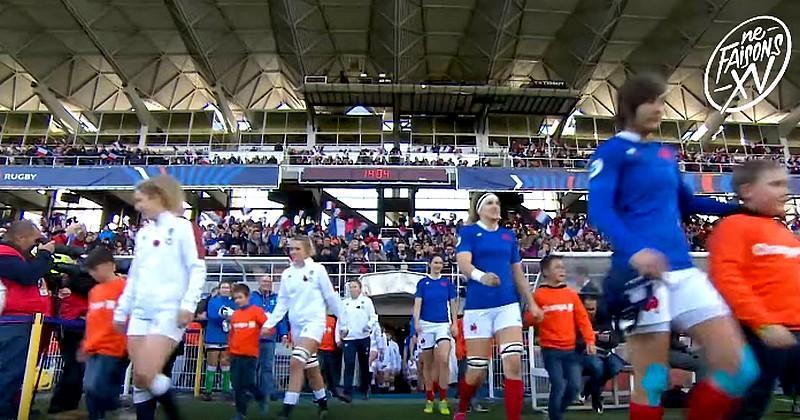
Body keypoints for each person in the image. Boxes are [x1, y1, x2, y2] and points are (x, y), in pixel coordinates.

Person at [587, 73, 759, 420]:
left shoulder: (665, 154)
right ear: (630, 106)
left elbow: (689, 203)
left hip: (683, 271)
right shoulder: (611, 153)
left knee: (740, 368)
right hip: (639, 276)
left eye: (662, 102)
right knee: (652, 381)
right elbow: (599, 210)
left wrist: (741, 209)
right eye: (653, 101)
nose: (660, 109)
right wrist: (636, 251)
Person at [707, 160, 800, 419]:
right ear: (747, 190)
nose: (786, 190)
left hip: (792, 334)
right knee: (748, 405)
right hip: (757, 336)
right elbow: (727, 278)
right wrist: (762, 323)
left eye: (786, 183)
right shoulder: (733, 226)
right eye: (775, 184)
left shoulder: (782, 232)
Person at [113, 175, 206, 420]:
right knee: (140, 378)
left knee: (146, 372)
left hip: (169, 310)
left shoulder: (183, 227)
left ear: (158, 198)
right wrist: (122, 310)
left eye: (141, 200)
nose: (137, 206)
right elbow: (135, 274)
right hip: (141, 311)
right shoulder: (143, 234)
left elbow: (197, 268)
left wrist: (188, 304)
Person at [454, 192, 543, 420]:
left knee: (513, 362)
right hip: (478, 308)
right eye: (490, 203)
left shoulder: (508, 236)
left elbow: (517, 272)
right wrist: (481, 277)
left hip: (507, 305)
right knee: (477, 370)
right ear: (480, 209)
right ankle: (462, 406)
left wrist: (531, 302)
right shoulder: (469, 232)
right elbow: (463, 263)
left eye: (497, 202)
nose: (495, 206)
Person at [263, 236, 344, 419]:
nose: (292, 252)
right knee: (311, 368)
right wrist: (269, 324)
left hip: (315, 323)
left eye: (297, 249)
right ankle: (323, 403)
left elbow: (331, 297)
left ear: (308, 250)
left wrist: (343, 322)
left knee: (297, 361)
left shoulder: (318, 270)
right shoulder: (287, 274)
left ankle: (288, 407)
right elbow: (282, 303)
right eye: (290, 249)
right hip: (297, 326)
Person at [0, 220, 55, 420]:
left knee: (16, 374)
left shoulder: (20, 257)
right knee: (8, 373)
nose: (37, 244)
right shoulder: (4, 254)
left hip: (25, 324)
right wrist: (45, 254)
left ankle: (15, 409)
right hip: (11, 324)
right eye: (35, 240)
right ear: (20, 238)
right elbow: (27, 275)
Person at [529, 255, 595, 420]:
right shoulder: (538, 295)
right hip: (551, 350)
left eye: (563, 267)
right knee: (558, 385)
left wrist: (590, 340)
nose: (562, 270)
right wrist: (535, 316)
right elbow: (527, 320)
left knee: (574, 387)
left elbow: (583, 320)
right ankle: (555, 417)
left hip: (570, 350)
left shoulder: (571, 295)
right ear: (545, 272)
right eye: (557, 267)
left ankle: (556, 413)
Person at [81, 246, 128, 420]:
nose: (92, 274)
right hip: (94, 347)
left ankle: (107, 406)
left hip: (114, 348)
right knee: (90, 388)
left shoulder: (125, 288)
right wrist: (86, 344)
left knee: (95, 388)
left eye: (95, 269)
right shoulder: (94, 292)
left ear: (109, 266)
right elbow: (92, 320)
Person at [413, 255, 458, 415]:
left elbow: (453, 304)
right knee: (428, 363)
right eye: (436, 262)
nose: (438, 265)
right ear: (430, 264)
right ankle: (430, 398)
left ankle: (444, 400)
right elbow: (417, 304)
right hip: (426, 325)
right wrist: (416, 322)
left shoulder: (447, 283)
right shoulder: (422, 283)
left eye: (440, 263)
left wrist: (454, 323)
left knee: (444, 360)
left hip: (443, 324)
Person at [577, 295, 625, 413]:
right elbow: (575, 341)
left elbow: (615, 340)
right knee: (598, 367)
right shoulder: (576, 321)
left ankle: (588, 391)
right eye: (587, 309)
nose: (590, 312)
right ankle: (596, 399)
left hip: (604, 353)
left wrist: (603, 338)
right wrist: (594, 337)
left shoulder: (603, 320)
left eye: (593, 309)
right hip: (584, 354)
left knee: (616, 366)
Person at [227, 283, 269, 420]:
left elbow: (268, 326)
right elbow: (232, 335)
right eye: (235, 298)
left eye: (240, 297)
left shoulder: (256, 311)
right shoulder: (235, 315)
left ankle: (260, 397)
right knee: (237, 384)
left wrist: (266, 332)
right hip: (235, 354)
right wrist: (228, 353)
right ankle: (241, 412)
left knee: (248, 382)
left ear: (248, 297)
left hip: (250, 354)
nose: (237, 300)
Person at [250, 274, 289, 401]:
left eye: (269, 281)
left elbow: (281, 318)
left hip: (270, 338)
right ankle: (252, 392)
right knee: (253, 366)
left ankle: (267, 391)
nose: (266, 283)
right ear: (259, 283)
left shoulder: (277, 298)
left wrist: (283, 334)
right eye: (264, 281)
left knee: (267, 366)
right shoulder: (252, 297)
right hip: (253, 338)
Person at [340, 279, 378, 399]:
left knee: (363, 365)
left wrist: (368, 326)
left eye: (355, 286)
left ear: (360, 289)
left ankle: (365, 389)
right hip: (349, 338)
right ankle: (347, 392)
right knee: (349, 363)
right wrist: (343, 329)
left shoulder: (366, 301)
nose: (352, 289)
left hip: (363, 337)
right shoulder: (344, 302)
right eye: (350, 287)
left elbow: (373, 316)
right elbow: (342, 319)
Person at [203, 281, 235, 401]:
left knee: (226, 363)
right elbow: (212, 315)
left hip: (227, 337)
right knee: (212, 363)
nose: (226, 290)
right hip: (213, 336)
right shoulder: (213, 301)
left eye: (227, 287)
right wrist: (225, 318)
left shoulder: (233, 302)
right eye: (223, 287)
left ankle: (226, 390)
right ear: (219, 289)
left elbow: (237, 316)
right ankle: (208, 391)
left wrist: (231, 318)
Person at [319, 313, 346, 399]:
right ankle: (318, 390)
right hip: (319, 348)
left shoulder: (334, 320)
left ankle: (332, 389)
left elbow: (336, 333)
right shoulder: (317, 318)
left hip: (330, 349)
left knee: (330, 371)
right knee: (317, 370)